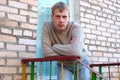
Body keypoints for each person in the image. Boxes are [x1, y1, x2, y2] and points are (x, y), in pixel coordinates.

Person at [41, 2, 90, 80]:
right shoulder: (47, 27)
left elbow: (75, 51)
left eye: (64, 17)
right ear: (51, 17)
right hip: (63, 64)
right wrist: (69, 50)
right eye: (57, 16)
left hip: (81, 62)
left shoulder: (76, 28)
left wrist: (55, 47)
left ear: (69, 17)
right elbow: (46, 53)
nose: (61, 20)